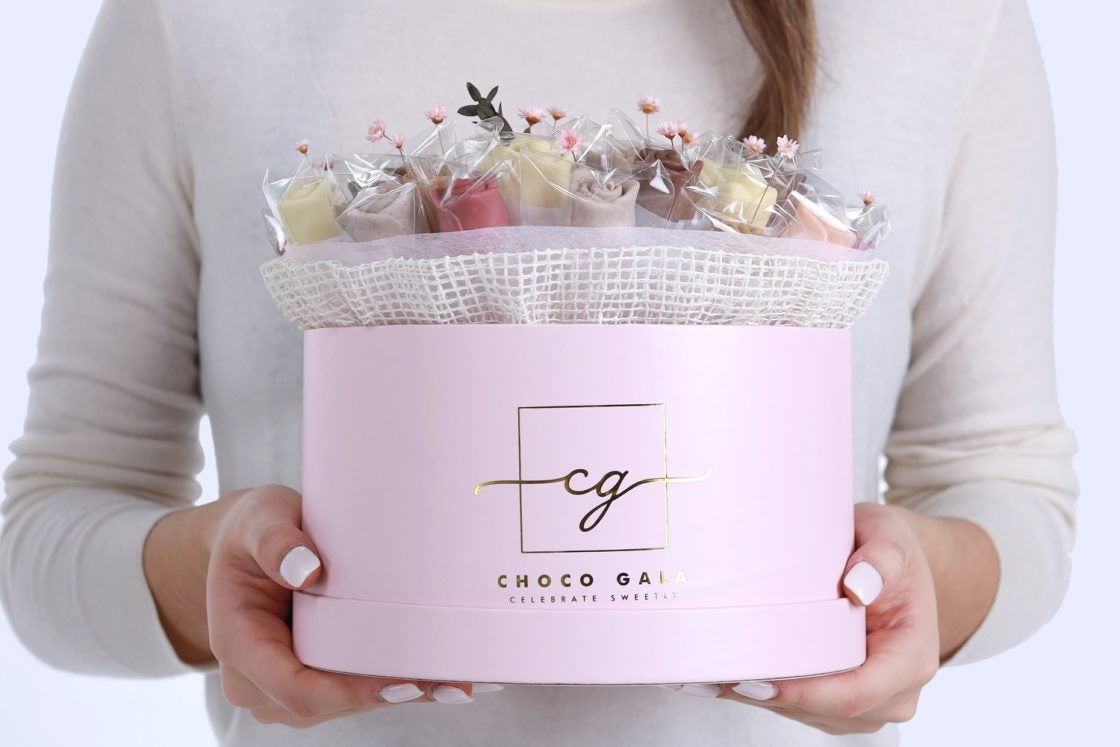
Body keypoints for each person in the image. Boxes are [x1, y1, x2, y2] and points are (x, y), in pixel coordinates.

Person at [0, 0, 1078, 744]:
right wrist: (211, 576)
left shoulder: (938, 20)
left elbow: (1005, 481)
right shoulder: (200, 18)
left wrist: (924, 579)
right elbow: (54, 520)